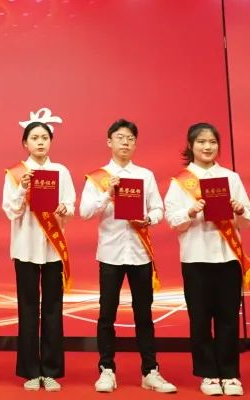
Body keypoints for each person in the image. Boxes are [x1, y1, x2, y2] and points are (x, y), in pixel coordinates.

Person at [80, 119, 176, 394]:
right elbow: (84, 212)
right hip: (110, 254)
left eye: (130, 138)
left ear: (135, 144)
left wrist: (148, 219)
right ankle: (106, 369)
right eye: (120, 137)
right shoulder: (98, 178)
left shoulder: (145, 175)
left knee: (144, 315)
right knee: (106, 315)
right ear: (109, 142)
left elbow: (158, 209)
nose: (125, 142)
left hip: (139, 253)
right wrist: (106, 195)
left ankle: (150, 371)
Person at [164, 123, 250, 397]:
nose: (207, 147)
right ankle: (208, 374)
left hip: (228, 258)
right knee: (200, 319)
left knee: (228, 318)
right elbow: (173, 222)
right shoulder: (180, 182)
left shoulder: (231, 178)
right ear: (191, 146)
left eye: (212, 142)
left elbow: (248, 220)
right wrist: (191, 211)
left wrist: (239, 209)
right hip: (196, 258)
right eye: (201, 142)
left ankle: (230, 373)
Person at [2, 121, 76, 391]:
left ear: (51, 141)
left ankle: (52, 370)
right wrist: (22, 189)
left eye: (45, 137)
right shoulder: (15, 174)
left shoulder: (61, 171)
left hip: (52, 249)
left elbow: (70, 204)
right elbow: (10, 211)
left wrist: (64, 208)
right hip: (25, 248)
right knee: (28, 308)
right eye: (34, 138)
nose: (40, 142)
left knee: (54, 309)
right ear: (25, 143)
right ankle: (31, 371)